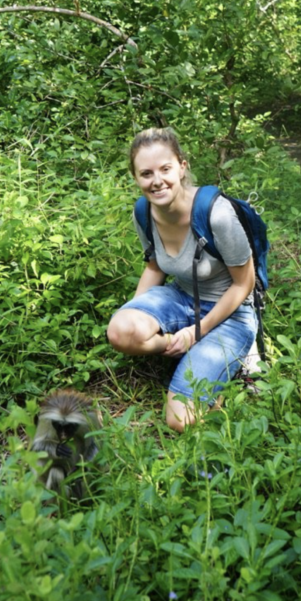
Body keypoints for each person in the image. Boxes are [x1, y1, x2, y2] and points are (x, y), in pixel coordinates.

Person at [107, 128, 258, 433]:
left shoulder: (216, 214)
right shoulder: (144, 212)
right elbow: (154, 267)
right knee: (121, 332)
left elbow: (244, 284)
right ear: (135, 177)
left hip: (232, 312)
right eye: (146, 173)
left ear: (182, 166)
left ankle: (237, 355)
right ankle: (180, 347)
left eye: (165, 169)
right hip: (182, 296)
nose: (156, 181)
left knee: (180, 419)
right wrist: (137, 317)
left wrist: (196, 332)